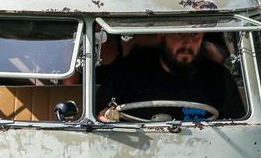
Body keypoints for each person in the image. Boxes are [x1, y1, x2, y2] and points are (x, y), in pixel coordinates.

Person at [96, 33, 245, 122]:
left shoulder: (218, 77)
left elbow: (236, 125)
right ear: (162, 35)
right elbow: (101, 114)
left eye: (195, 35)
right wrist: (105, 117)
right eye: (179, 34)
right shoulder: (126, 72)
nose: (187, 43)